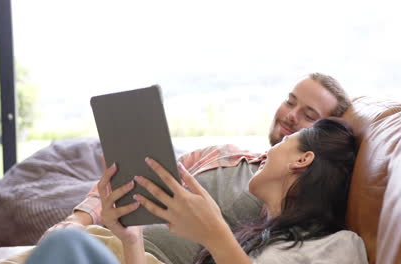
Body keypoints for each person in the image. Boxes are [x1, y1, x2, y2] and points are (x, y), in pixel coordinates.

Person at [43, 73, 353, 263]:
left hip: (140, 257)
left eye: (308, 116)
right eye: (290, 101)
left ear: (309, 155)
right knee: (61, 239)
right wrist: (80, 219)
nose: (290, 115)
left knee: (63, 245)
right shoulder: (223, 153)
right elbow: (136, 176)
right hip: (109, 239)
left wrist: (216, 234)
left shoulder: (290, 217)